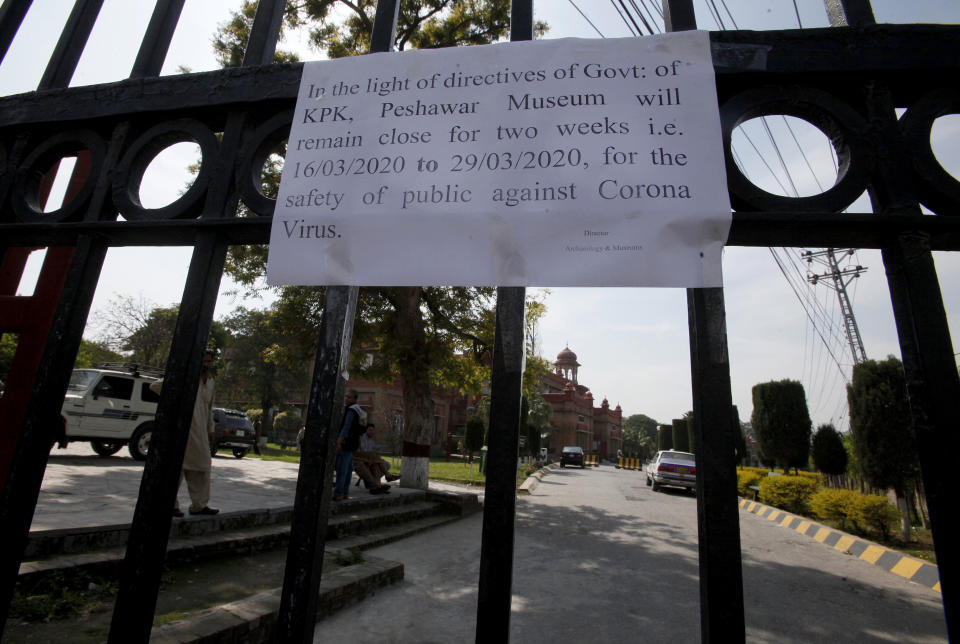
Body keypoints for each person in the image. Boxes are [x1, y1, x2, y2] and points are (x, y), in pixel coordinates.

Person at [150, 349, 219, 517]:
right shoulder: (184, 377)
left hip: (200, 431)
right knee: (176, 468)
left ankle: (199, 505)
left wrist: (211, 430)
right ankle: (170, 504)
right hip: (181, 430)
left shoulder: (210, 381)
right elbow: (155, 386)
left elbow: (209, 408)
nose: (206, 364)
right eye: (204, 361)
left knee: (202, 467)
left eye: (209, 362)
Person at [334, 389, 364, 501]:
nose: (346, 399)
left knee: (342, 469)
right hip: (353, 443)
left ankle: (339, 493)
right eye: (346, 397)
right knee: (347, 468)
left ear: (355, 399)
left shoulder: (351, 410)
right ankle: (345, 492)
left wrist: (340, 440)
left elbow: (346, 427)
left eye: (349, 397)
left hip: (346, 443)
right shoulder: (359, 411)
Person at [354, 423, 396, 494]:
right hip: (363, 459)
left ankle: (376, 487)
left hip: (370, 459)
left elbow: (375, 448)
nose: (371, 432)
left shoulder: (371, 441)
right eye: (370, 430)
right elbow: (361, 453)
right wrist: (371, 459)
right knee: (375, 455)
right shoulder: (360, 439)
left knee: (377, 463)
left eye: (372, 430)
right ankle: (386, 476)